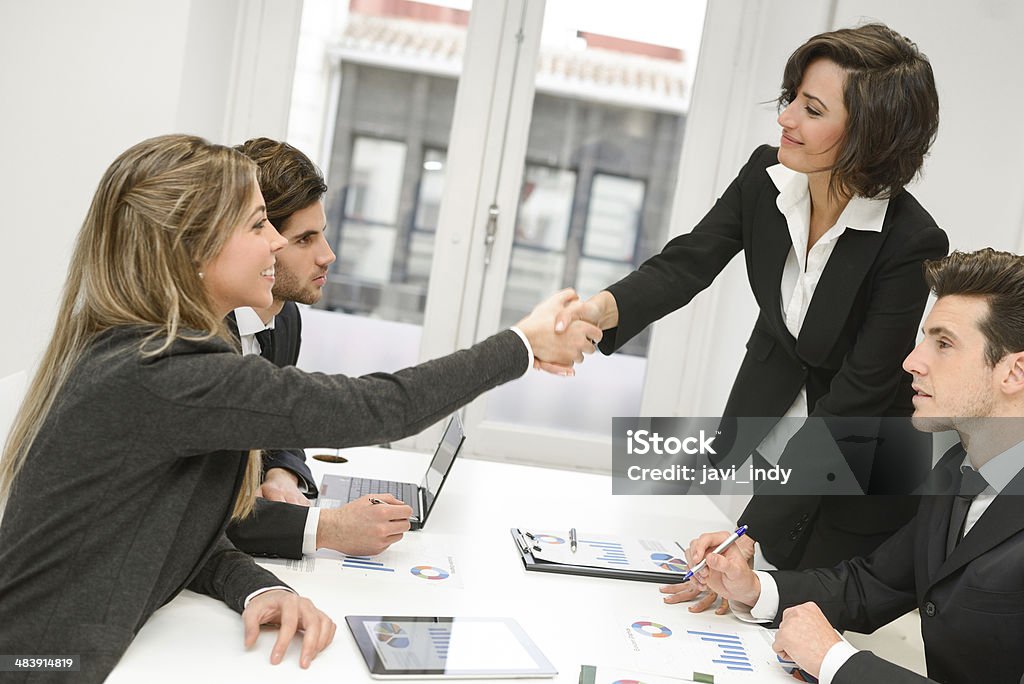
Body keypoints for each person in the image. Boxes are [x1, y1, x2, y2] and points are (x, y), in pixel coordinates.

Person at [0, 134, 600, 682]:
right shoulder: (165, 373)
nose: (275, 243)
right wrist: (521, 345)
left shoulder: (149, 355)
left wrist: (256, 588)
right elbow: (376, 408)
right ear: (194, 248)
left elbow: (176, 535)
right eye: (260, 224)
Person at [550, 23, 948, 580]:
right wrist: (600, 310)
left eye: (811, 109)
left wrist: (749, 532)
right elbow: (687, 262)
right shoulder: (766, 179)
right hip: (769, 419)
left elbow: (858, 397)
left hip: (855, 463)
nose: (785, 118)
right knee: (724, 599)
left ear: (871, 136)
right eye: (791, 100)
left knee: (793, 619)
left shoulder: (910, 242)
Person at [680, 249, 1024, 683]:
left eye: (943, 343)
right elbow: (871, 584)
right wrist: (753, 587)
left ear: (1013, 373)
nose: (911, 362)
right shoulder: (961, 466)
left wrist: (838, 663)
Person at [224, 137, 412, 560]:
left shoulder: (285, 317)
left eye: (322, 234)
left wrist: (282, 473)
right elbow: (199, 512)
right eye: (305, 239)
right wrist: (327, 528)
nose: (328, 255)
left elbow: (280, 428)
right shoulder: (197, 340)